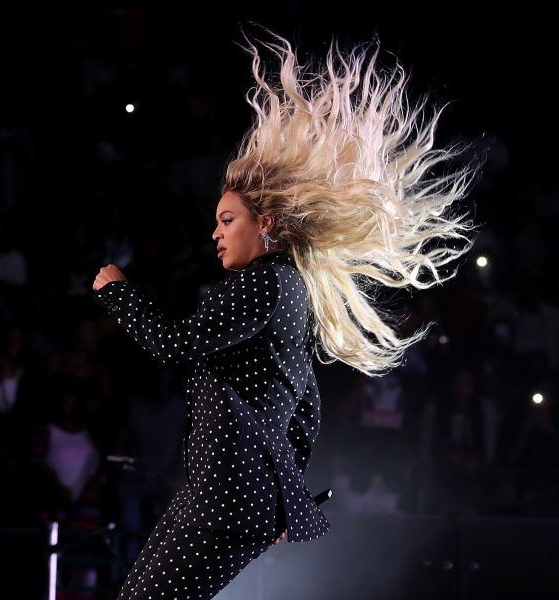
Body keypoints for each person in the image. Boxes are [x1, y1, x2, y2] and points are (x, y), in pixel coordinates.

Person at [92, 35, 474, 600]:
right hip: (228, 496)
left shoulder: (263, 283)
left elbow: (175, 343)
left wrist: (118, 292)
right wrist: (278, 499)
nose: (214, 233)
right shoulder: (289, 289)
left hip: (225, 497)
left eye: (227, 220)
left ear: (265, 220)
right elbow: (305, 406)